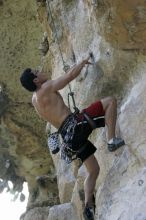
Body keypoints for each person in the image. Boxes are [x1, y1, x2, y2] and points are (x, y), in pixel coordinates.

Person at [20, 56, 125, 220]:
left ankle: (88, 207)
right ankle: (111, 140)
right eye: (37, 72)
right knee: (110, 102)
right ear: (36, 80)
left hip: (68, 139)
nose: (41, 71)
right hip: (75, 125)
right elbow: (67, 78)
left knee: (93, 170)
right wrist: (81, 63)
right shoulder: (45, 88)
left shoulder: (35, 101)